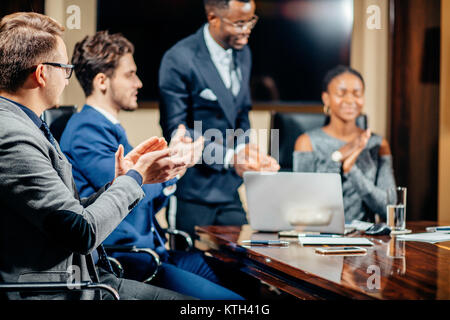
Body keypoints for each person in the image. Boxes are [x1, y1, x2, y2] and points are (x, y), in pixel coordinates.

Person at [0, 12, 192, 300]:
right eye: (64, 69)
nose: (68, 79)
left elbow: (66, 215)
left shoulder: (28, 123)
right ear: (41, 74)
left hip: (86, 277)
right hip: (56, 289)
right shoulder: (13, 135)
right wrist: (136, 177)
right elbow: (81, 231)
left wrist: (121, 181)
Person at [60, 30, 243, 300]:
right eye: (130, 74)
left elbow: (143, 198)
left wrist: (171, 168)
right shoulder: (86, 132)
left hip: (154, 254)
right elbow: (129, 196)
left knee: (238, 281)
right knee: (234, 301)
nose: (139, 83)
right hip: (130, 262)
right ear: (102, 81)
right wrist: (174, 166)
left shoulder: (105, 127)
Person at [159, 0, 279, 239]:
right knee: (192, 265)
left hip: (229, 188)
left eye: (251, 21)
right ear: (213, 18)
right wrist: (230, 157)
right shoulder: (179, 58)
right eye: (239, 23)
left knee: (246, 264)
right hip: (193, 192)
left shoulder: (244, 52)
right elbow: (177, 132)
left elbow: (242, 112)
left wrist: (247, 152)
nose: (247, 30)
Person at [293, 65, 396, 223]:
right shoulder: (307, 143)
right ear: (326, 98)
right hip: (319, 237)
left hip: (367, 240)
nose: (350, 100)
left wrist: (351, 170)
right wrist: (339, 156)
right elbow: (302, 205)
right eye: (341, 93)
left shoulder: (378, 144)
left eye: (357, 94)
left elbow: (390, 209)